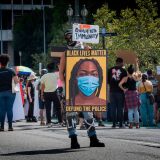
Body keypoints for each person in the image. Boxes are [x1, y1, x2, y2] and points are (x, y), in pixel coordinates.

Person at [59, 29, 105, 149]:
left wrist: (89, 51)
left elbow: (94, 62)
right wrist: (66, 88)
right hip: (71, 87)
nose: (69, 38)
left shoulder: (85, 49)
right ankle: (73, 139)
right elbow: (61, 73)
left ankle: (93, 138)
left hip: (86, 87)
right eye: (67, 37)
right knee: (71, 113)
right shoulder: (65, 53)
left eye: (71, 36)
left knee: (88, 112)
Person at [0, 54, 19, 131]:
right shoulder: (11, 71)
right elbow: (16, 81)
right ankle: (10, 127)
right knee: (9, 109)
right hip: (10, 92)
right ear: (7, 62)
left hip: (0, 93)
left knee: (2, 109)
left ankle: (1, 127)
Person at [41, 62, 62, 127]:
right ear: (53, 69)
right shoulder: (56, 75)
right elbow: (61, 74)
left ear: (47, 69)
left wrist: (42, 95)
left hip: (46, 93)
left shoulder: (44, 76)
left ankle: (49, 123)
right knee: (58, 107)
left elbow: (42, 86)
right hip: (54, 93)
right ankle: (60, 122)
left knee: (48, 109)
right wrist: (59, 67)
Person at [108, 57, 127, 128]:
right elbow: (125, 82)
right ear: (121, 63)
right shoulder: (124, 71)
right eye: (123, 63)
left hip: (112, 92)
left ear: (116, 62)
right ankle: (121, 124)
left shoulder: (110, 70)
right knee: (120, 108)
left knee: (113, 108)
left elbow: (108, 82)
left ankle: (113, 124)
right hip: (120, 92)